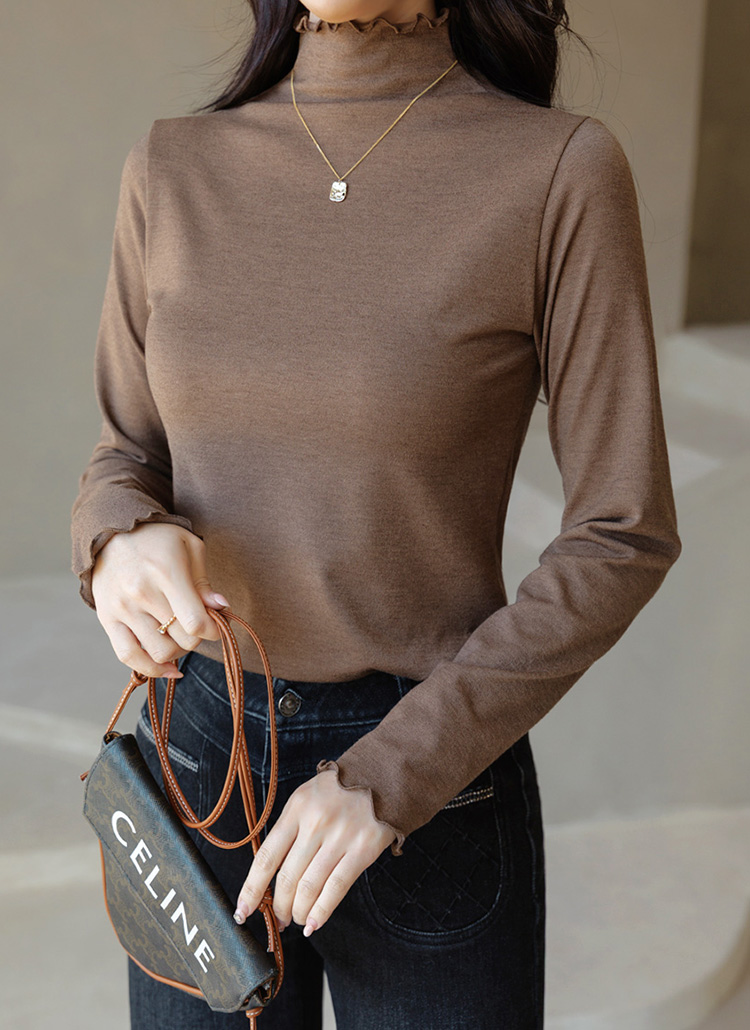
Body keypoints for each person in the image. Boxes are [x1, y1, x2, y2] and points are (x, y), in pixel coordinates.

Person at [70, 0, 682, 1026]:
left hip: (431, 769)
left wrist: (400, 770)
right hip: (201, 754)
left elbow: (624, 531)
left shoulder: (556, 170)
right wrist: (119, 538)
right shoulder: (172, 166)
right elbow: (125, 452)